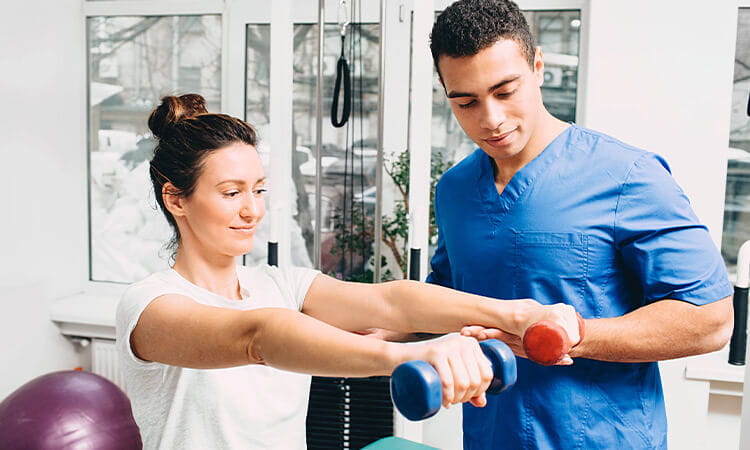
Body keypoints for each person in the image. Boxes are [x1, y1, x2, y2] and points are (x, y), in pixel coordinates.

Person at [115, 93, 581, 450]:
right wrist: (406, 358)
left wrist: (515, 314)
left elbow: (391, 301)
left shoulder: (278, 283)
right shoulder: (149, 307)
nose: (252, 210)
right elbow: (257, 336)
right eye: (231, 192)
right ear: (177, 198)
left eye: (257, 190)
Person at [426, 1, 734, 449]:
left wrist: (577, 336)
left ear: (538, 66)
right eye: (467, 101)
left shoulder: (628, 175)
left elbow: (710, 319)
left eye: (505, 91)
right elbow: (442, 296)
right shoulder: (454, 189)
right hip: (490, 438)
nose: (490, 119)